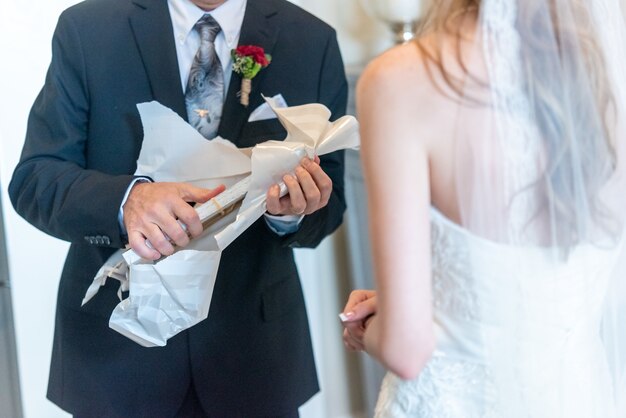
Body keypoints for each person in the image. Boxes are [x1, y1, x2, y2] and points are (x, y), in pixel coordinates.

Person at [9, 0, 347, 416]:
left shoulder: (312, 40)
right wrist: (127, 201)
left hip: (252, 355)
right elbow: (34, 180)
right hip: (118, 359)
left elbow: (331, 205)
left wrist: (291, 213)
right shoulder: (87, 29)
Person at [341, 0, 626, 417]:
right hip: (578, 396)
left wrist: (367, 329)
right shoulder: (607, 66)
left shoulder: (401, 80)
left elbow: (406, 349)